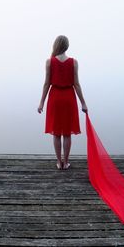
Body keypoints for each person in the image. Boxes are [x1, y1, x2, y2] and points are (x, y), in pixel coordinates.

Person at [38, 35, 88, 170]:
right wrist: (83, 103)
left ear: (56, 45)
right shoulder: (73, 62)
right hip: (68, 98)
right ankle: (66, 163)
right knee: (66, 133)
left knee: (56, 133)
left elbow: (46, 84)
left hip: (55, 98)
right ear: (67, 46)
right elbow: (76, 84)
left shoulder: (49, 62)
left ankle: (59, 162)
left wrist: (41, 102)